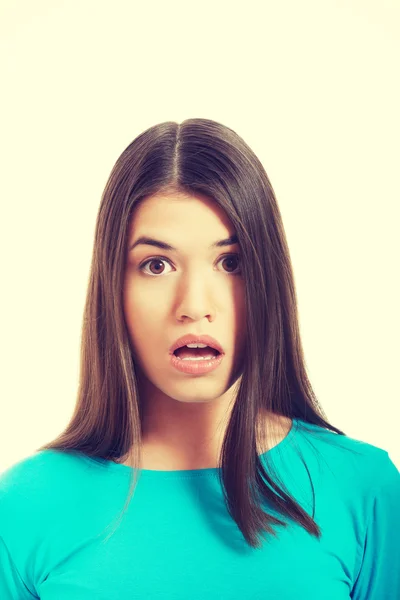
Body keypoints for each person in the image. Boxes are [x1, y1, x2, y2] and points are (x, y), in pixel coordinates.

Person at [0, 118, 398, 599]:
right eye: (156, 265)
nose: (193, 305)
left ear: (268, 282)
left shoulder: (363, 489)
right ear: (113, 289)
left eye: (231, 262)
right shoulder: (25, 506)